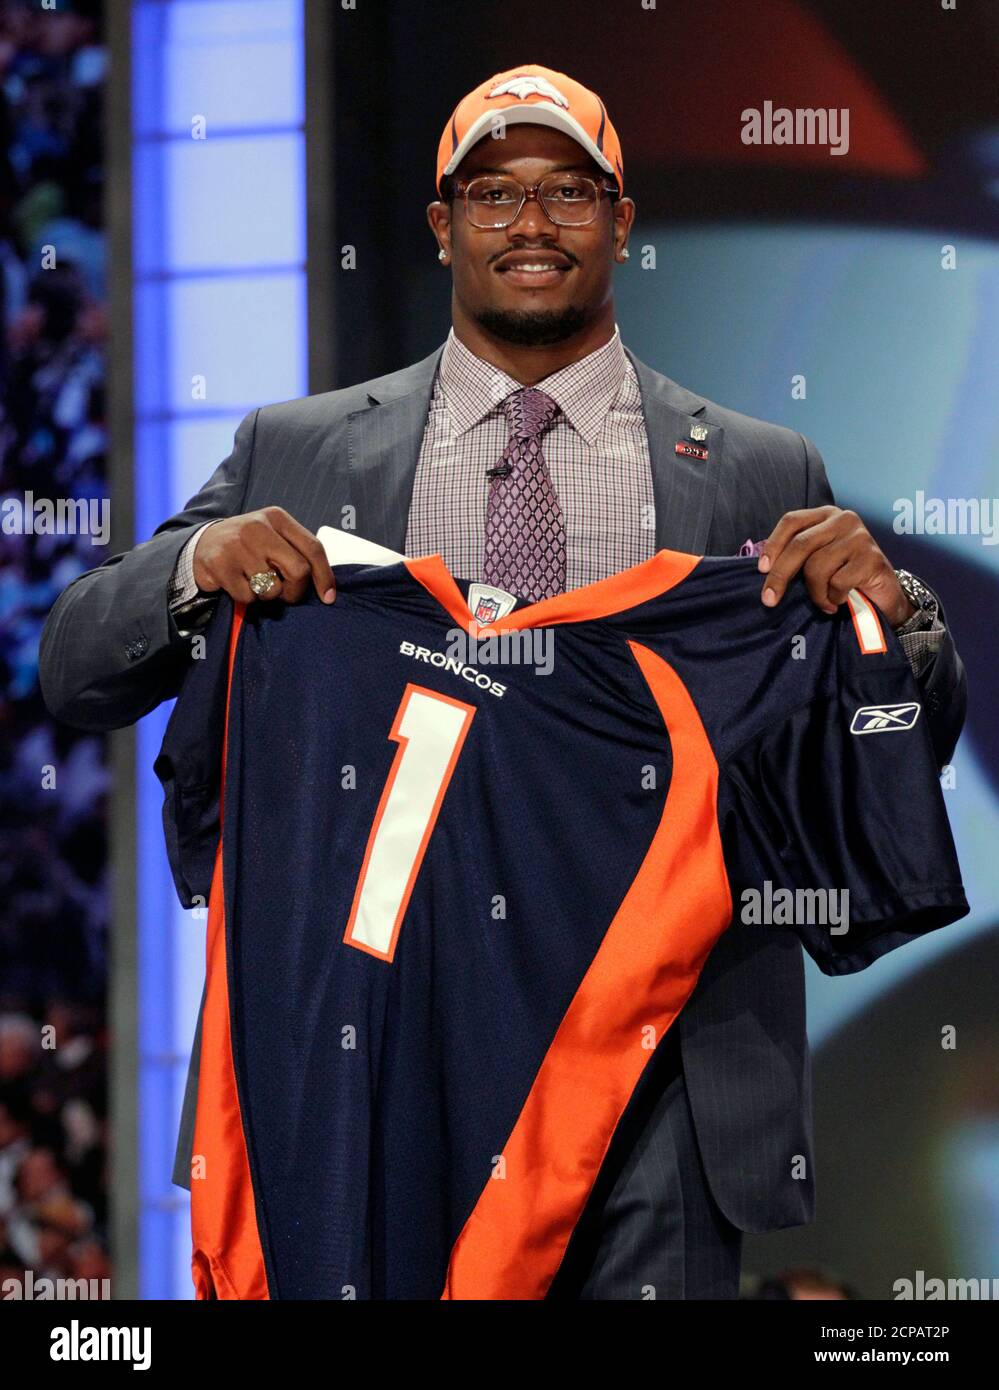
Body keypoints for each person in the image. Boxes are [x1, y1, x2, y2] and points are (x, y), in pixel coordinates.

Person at [39, 63, 966, 1299]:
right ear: (442, 226)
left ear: (622, 220)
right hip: (372, 1069)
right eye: (492, 194)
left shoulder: (755, 464)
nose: (530, 223)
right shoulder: (299, 452)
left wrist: (895, 613)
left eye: (570, 191)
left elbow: (905, 733)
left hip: (662, 1088)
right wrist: (197, 562)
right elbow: (77, 665)